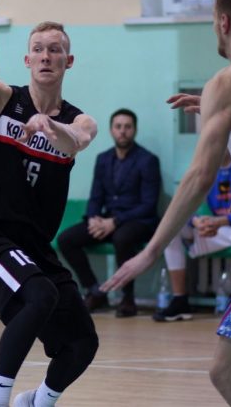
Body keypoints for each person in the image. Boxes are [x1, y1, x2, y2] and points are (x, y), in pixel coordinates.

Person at [101, 0, 231, 404]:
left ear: (223, 22)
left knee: (225, 371)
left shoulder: (227, 81)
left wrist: (151, 250)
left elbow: (199, 176)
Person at [0, 21, 99, 407]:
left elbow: (77, 140)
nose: (45, 56)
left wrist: (49, 125)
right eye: (38, 49)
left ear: (68, 61)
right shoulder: (4, 99)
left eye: (54, 49)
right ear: (27, 60)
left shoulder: (79, 120)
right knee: (40, 295)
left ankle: (37, 402)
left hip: (35, 246)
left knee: (83, 342)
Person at [57, 108, 161, 318]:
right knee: (66, 239)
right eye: (118, 126)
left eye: (127, 127)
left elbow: (148, 205)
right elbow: (96, 196)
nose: (123, 131)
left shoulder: (148, 160)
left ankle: (127, 299)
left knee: (122, 238)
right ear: (111, 130)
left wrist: (115, 221)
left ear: (134, 130)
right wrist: (93, 219)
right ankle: (95, 292)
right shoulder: (103, 159)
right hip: (108, 221)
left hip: (138, 221)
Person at [155, 150, 231, 322]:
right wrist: (197, 222)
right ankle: (180, 301)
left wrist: (222, 221)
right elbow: (185, 204)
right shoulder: (207, 170)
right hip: (218, 229)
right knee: (171, 229)